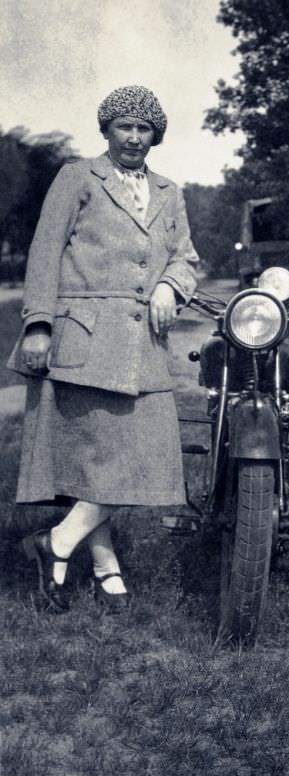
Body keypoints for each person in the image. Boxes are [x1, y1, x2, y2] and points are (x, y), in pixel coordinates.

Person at [8, 85, 199, 613]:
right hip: (86, 340)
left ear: (156, 135)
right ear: (107, 131)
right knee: (102, 463)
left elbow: (185, 258)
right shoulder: (77, 178)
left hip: (144, 347)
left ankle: (58, 544)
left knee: (144, 460)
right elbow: (45, 249)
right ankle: (104, 567)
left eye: (144, 129)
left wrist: (169, 286)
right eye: (124, 127)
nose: (134, 138)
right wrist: (39, 323)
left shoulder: (170, 191)